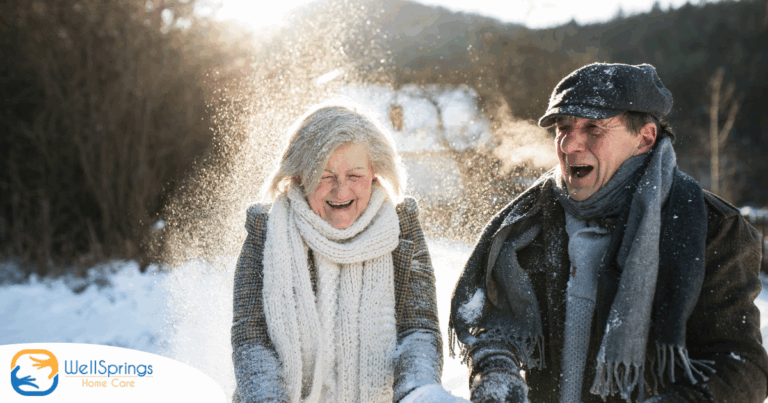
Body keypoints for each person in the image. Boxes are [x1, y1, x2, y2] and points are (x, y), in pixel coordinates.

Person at [448, 63, 768, 403]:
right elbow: (493, 325)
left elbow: (741, 367)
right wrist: (496, 371)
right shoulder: (528, 222)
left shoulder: (712, 228)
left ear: (645, 137)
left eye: (593, 128)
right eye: (563, 127)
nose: (570, 144)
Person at [231, 101, 467, 403]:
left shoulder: (401, 227)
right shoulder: (266, 231)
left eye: (354, 176)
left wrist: (416, 393)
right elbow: (251, 340)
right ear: (300, 176)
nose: (341, 191)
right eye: (325, 176)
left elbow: (418, 330)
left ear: (374, 174)